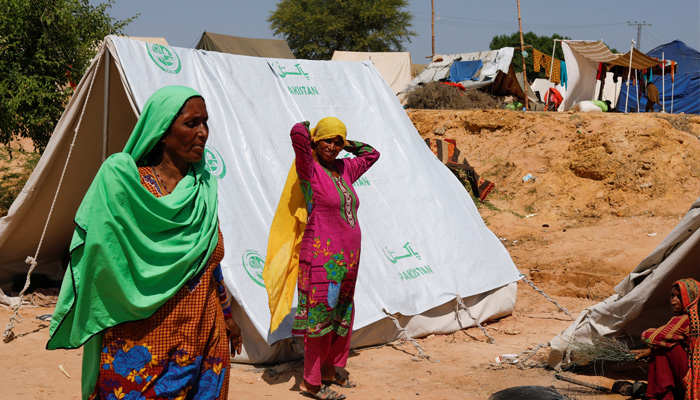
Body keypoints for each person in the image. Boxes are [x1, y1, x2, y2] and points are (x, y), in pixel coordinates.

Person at [47, 85, 242, 400]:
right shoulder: (128, 189)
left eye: (206, 123)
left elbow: (208, 259)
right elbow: (103, 262)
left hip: (204, 338)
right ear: (163, 131)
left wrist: (228, 315)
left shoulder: (203, 189)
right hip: (142, 346)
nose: (203, 133)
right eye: (192, 123)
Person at [265, 118, 379, 400]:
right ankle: (310, 383)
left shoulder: (345, 168)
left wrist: (345, 142)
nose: (333, 147)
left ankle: (329, 372)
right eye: (328, 140)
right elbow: (297, 134)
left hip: (349, 258)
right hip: (320, 256)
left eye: (338, 142)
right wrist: (311, 131)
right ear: (316, 142)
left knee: (341, 314)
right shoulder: (309, 169)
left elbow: (372, 153)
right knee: (318, 319)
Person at [632, 278, 700, 400]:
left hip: (694, 381)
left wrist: (648, 338)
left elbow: (651, 338)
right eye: (672, 296)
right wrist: (649, 351)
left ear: (690, 299)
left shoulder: (685, 319)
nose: (673, 301)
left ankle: (660, 395)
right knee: (666, 343)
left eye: (679, 297)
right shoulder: (695, 317)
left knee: (662, 346)